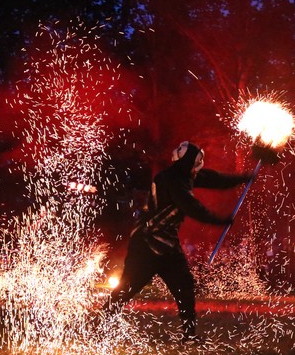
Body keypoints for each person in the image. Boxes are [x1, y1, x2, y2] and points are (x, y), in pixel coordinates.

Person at [104, 141, 252, 341]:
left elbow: (211, 178)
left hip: (168, 246)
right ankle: (101, 323)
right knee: (128, 288)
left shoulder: (184, 176)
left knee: (185, 287)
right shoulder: (170, 180)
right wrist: (219, 220)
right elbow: (190, 206)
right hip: (146, 244)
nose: (196, 170)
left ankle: (189, 335)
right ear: (189, 164)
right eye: (195, 166)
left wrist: (242, 179)